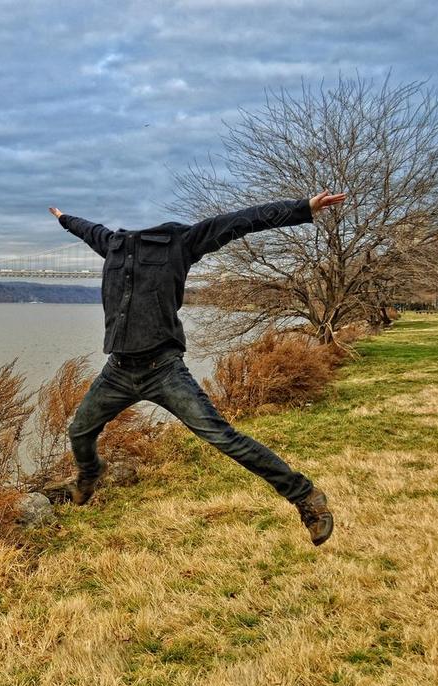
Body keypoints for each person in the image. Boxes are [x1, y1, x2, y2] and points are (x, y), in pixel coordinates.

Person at [45, 190, 346, 546]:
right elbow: (87, 228)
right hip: (118, 371)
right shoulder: (112, 244)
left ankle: (306, 497)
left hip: (163, 370)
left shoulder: (181, 242)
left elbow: (242, 221)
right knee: (80, 431)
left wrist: (302, 208)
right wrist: (65, 219)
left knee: (224, 437)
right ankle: (89, 476)